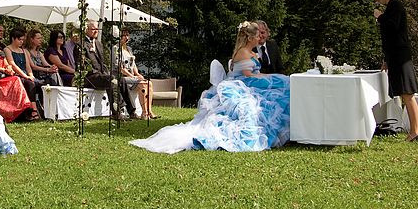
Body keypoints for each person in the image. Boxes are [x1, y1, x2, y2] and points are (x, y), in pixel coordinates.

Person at [130, 21, 290, 153]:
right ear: (250, 38)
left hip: (248, 82)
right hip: (243, 84)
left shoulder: (251, 51)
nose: (259, 39)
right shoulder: (243, 52)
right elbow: (248, 75)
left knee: (281, 85)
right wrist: (269, 77)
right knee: (275, 89)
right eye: (256, 36)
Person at [373, 0, 418, 142]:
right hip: (396, 56)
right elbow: (390, 36)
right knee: (406, 94)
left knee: (407, 94)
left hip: (400, 56)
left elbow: (393, 28)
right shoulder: (392, 6)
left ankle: (415, 132)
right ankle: (417, 130)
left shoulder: (395, 5)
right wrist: (386, 59)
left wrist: (380, 17)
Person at [78, 20, 137, 120]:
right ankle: (115, 112)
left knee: (121, 79)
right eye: (93, 29)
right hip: (89, 76)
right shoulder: (81, 44)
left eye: (97, 29)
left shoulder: (98, 44)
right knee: (111, 80)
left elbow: (102, 63)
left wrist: (106, 72)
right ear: (86, 30)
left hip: (101, 75)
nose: (96, 31)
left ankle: (132, 111)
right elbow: (82, 65)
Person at [0, 23, 35, 123]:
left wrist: (8, 67)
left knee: (17, 80)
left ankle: (22, 109)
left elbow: (5, 61)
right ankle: (14, 111)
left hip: (3, 72)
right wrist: (3, 70)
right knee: (16, 80)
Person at [4, 26, 45, 114]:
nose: (21, 42)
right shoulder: (7, 49)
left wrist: (31, 75)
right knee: (30, 84)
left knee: (41, 85)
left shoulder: (23, 50)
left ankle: (43, 109)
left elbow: (28, 66)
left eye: (22, 40)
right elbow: (13, 64)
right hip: (16, 75)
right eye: (19, 40)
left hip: (26, 74)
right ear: (13, 38)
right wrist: (25, 76)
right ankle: (33, 110)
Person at [120, 29, 155, 120]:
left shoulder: (129, 49)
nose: (127, 38)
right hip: (123, 78)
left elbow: (133, 64)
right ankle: (144, 113)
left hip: (132, 76)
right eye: (124, 36)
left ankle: (149, 111)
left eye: (128, 35)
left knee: (149, 83)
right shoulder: (116, 49)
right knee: (143, 84)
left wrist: (138, 74)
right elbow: (121, 69)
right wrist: (133, 77)